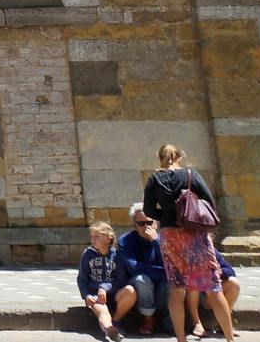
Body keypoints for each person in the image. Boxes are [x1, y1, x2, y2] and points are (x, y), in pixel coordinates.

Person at [142, 143, 233, 342]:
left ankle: (181, 339)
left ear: (160, 159)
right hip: (195, 234)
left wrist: (166, 216)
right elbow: (209, 201)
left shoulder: (154, 179)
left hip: (170, 237)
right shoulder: (190, 175)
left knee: (176, 290)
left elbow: (148, 210)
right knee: (213, 287)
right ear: (178, 157)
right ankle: (229, 339)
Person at [114, 205, 169, 333]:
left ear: (156, 223)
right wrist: (163, 273)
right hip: (140, 292)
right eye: (141, 223)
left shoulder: (165, 240)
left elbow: (171, 265)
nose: (146, 227)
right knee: (142, 279)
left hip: (161, 290)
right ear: (135, 225)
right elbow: (134, 268)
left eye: (150, 222)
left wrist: (156, 242)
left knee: (171, 282)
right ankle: (148, 319)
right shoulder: (126, 241)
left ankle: (170, 321)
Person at [79, 220, 126, 341]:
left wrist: (105, 287)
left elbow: (121, 280)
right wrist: (87, 295)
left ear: (108, 239)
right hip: (95, 295)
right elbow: (82, 279)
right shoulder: (88, 254)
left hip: (114, 293)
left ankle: (114, 325)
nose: (93, 240)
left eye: (97, 236)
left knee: (129, 290)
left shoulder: (116, 255)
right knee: (102, 311)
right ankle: (109, 330)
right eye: (92, 237)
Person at [188, 251, 241, 339]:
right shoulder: (189, 250)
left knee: (234, 283)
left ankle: (222, 324)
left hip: (211, 293)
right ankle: (196, 322)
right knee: (194, 282)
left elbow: (230, 271)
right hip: (194, 294)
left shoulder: (212, 252)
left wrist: (218, 271)